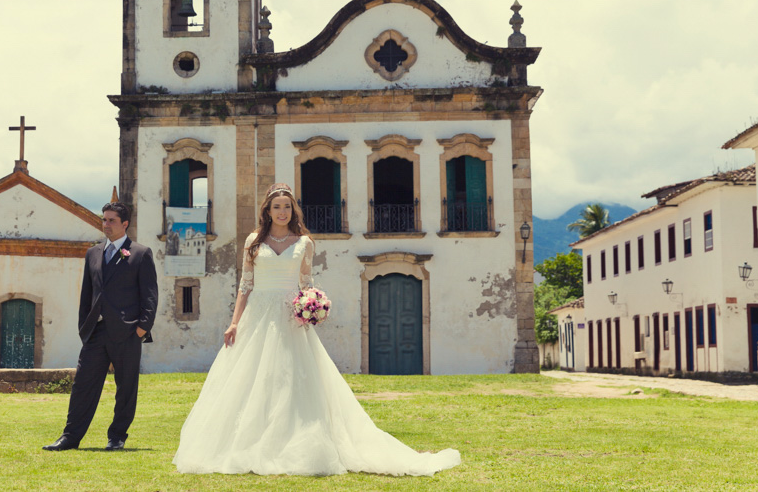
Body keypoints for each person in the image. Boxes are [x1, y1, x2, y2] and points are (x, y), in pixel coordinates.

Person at [173, 183, 460, 476]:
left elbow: (306, 283)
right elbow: (246, 285)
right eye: (277, 207)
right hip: (258, 315)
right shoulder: (253, 242)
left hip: (289, 317)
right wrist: (234, 322)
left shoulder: (304, 243)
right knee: (252, 377)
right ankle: (247, 443)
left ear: (293, 210)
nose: (282, 212)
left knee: (293, 378)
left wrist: (312, 304)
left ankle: (294, 440)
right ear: (267, 211)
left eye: (287, 207)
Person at [44, 202, 158, 452]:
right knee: (83, 385)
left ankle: (117, 436)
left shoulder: (140, 253)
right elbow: (87, 293)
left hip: (127, 332)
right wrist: (84, 327)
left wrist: (141, 329)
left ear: (125, 223)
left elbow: (149, 295)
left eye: (111, 220)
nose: (106, 224)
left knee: (126, 387)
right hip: (96, 332)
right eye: (104, 219)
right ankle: (70, 437)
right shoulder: (92, 253)